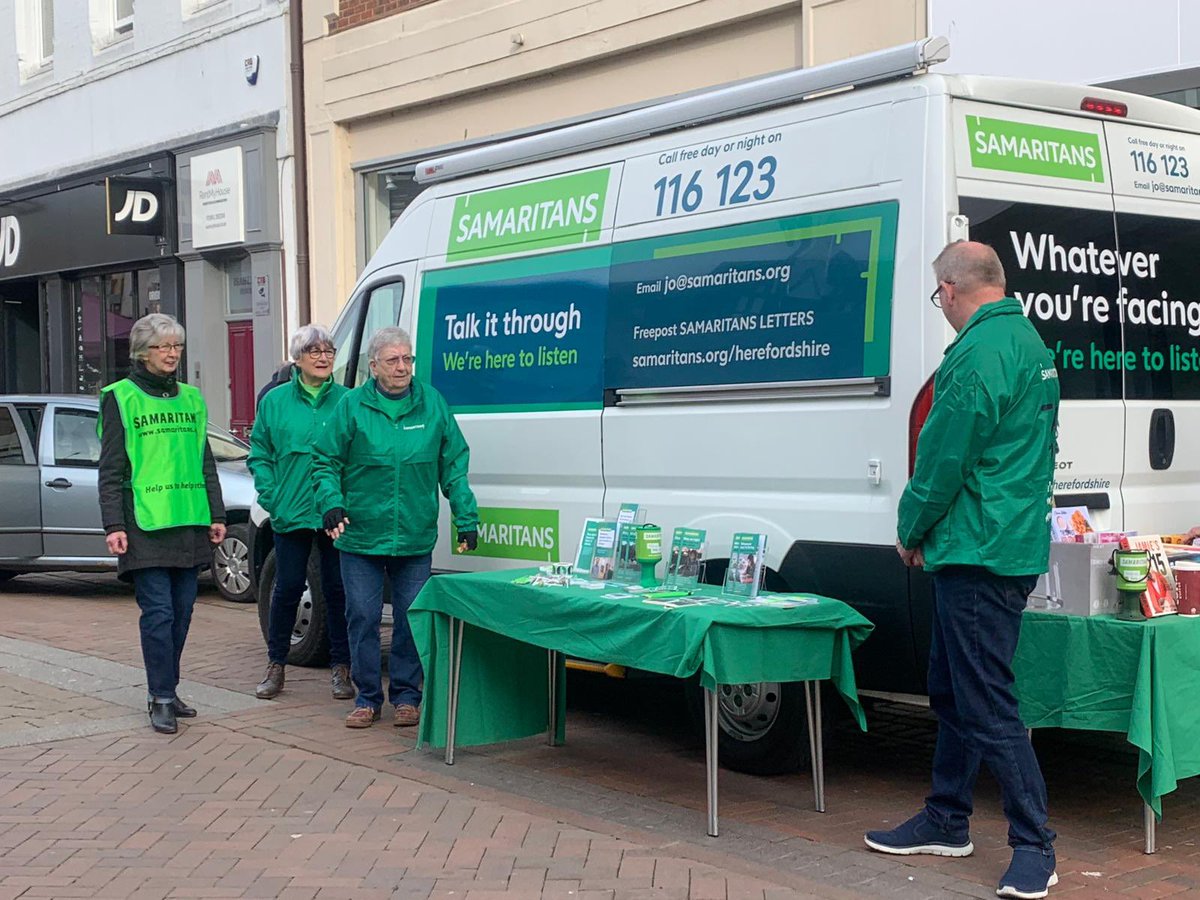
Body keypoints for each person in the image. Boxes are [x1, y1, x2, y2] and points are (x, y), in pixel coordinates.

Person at [864, 242, 1061, 900]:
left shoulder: (978, 354)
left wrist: (911, 528)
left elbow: (942, 457)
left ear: (949, 290)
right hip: (1003, 545)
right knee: (951, 689)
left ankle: (1035, 843)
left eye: (936, 297)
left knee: (984, 703)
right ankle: (947, 819)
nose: (939, 307)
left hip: (980, 553)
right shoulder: (1029, 344)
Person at [313, 326, 480, 729]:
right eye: (393, 360)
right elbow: (324, 461)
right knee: (363, 616)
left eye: (407, 359)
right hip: (361, 536)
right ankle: (367, 697)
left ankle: (407, 696)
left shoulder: (432, 404)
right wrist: (331, 504)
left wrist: (466, 516)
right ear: (374, 367)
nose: (403, 367)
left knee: (410, 618)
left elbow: (453, 464)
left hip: (414, 534)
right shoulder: (351, 407)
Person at [98, 313, 226, 735]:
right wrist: (114, 524)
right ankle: (161, 698)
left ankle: (166, 686)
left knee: (184, 613)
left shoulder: (191, 398)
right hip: (145, 524)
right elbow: (112, 469)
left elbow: (205, 461)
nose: (172, 354)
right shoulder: (121, 397)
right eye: (163, 346)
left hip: (188, 521)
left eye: (176, 347)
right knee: (158, 613)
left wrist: (217, 514)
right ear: (142, 352)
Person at [248, 325, 352, 702]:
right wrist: (272, 496)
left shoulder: (347, 400)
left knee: (338, 590)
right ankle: (276, 664)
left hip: (333, 513)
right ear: (297, 359)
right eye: (314, 351)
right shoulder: (275, 402)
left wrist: (344, 500)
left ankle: (342, 668)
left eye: (329, 351)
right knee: (287, 588)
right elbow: (259, 453)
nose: (324, 358)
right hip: (290, 511)